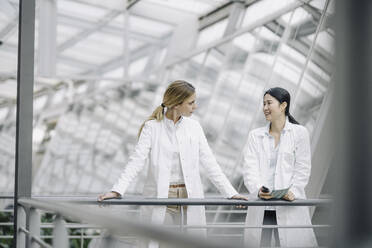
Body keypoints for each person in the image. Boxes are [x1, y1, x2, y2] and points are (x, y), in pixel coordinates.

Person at [98, 80, 247, 247]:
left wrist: (231, 193)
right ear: (176, 104)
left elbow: (210, 163)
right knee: (162, 242)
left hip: (189, 196)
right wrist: (117, 190)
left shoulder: (194, 127)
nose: (195, 107)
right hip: (162, 197)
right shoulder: (152, 128)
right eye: (191, 103)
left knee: (188, 243)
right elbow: (136, 161)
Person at [243, 87, 318, 247]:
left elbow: (303, 169)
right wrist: (258, 190)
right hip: (262, 205)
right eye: (263, 104)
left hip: (288, 205)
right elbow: (249, 169)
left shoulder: (299, 133)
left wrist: (293, 192)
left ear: (283, 105)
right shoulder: (255, 136)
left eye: (269, 103)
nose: (265, 108)